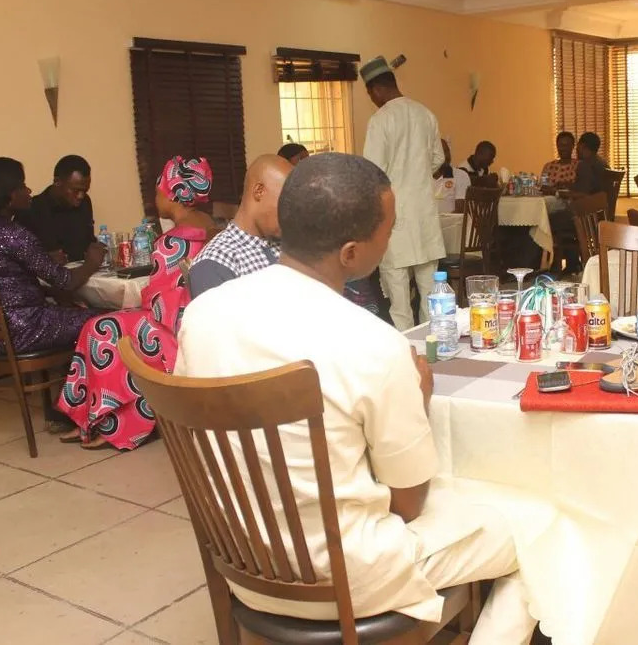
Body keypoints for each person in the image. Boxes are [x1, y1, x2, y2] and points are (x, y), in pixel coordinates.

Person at [175, 153, 537, 643]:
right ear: (350, 254)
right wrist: (419, 400)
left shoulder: (204, 314)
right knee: (537, 530)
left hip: (242, 562)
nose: (390, 240)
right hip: (347, 578)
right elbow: (408, 504)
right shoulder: (374, 344)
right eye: (388, 231)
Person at [58, 156, 218, 450]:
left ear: (172, 193)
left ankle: (107, 423)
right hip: (197, 319)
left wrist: (139, 302)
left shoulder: (172, 241)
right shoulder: (208, 226)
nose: (156, 198)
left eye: (158, 190)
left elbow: (159, 303)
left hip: (173, 327)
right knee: (110, 322)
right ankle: (94, 419)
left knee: (101, 329)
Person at [0, 157, 104, 355]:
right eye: (22, 186)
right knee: (110, 319)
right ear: (8, 194)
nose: (28, 191)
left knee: (78, 309)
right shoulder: (13, 234)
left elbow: (3, 286)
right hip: (25, 329)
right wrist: (92, 262)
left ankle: (78, 372)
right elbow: (66, 281)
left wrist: (49, 291)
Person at [361, 55, 446, 330]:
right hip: (425, 217)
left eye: (370, 95)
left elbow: (373, 172)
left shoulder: (381, 119)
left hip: (394, 220)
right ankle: (435, 347)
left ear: (375, 89)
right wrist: (416, 173)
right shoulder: (425, 114)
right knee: (432, 296)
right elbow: (438, 158)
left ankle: (408, 352)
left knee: (399, 303)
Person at [187, 155, 291, 299]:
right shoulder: (214, 266)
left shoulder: (291, 247)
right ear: (259, 191)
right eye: (286, 203)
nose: (291, 214)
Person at [16, 154, 97, 263]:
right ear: (57, 182)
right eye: (76, 190)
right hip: (48, 273)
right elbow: (20, 256)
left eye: (85, 191)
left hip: (83, 270)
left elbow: (89, 242)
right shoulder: (31, 209)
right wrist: (45, 259)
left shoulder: (85, 202)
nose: (80, 196)